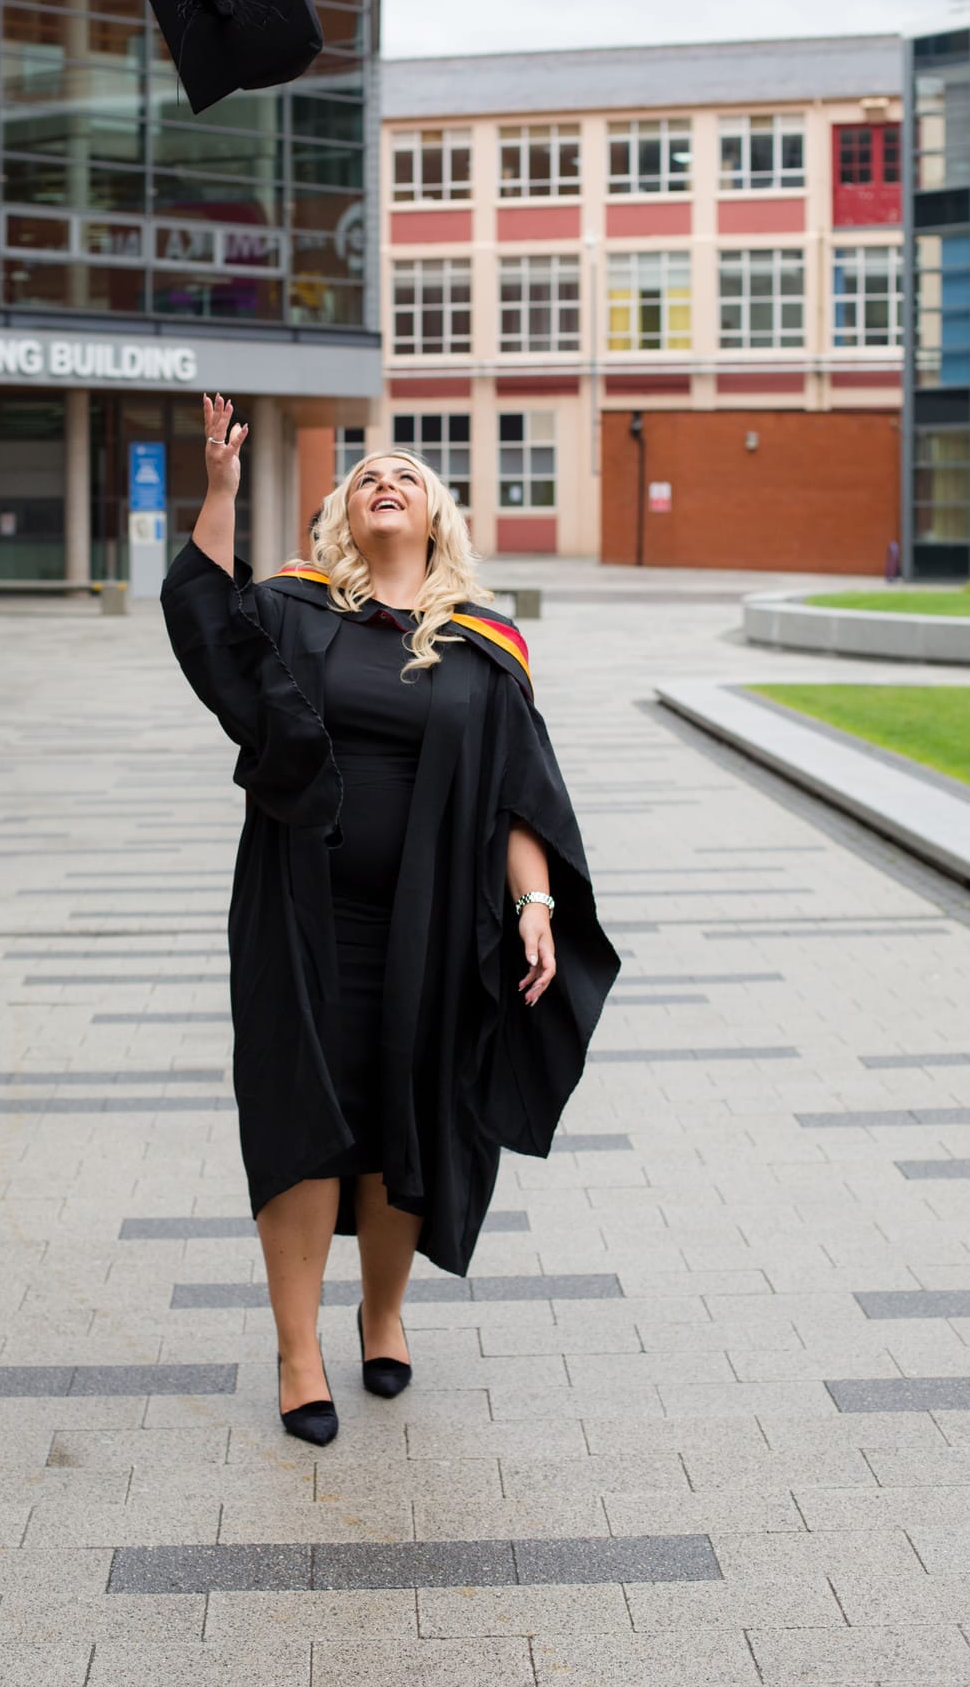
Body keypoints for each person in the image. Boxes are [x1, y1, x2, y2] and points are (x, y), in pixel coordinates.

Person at [162, 394, 618, 1446]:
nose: (386, 480)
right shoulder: (295, 606)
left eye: (407, 475)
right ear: (342, 511)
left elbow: (520, 792)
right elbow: (207, 630)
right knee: (300, 1108)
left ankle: (383, 1312)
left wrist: (537, 902)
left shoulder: (484, 641)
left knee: (408, 1108)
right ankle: (294, 1349)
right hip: (298, 911)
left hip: (431, 922)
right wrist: (223, 491)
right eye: (368, 473)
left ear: (437, 515)